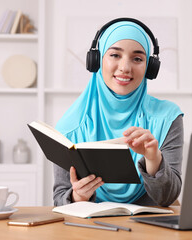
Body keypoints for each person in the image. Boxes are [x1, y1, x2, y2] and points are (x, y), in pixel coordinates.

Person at [53, 18, 184, 207]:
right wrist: (78, 197)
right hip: (91, 228)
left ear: (149, 68)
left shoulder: (167, 117)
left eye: (137, 58)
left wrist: (153, 158)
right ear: (97, 61)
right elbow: (59, 199)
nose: (125, 68)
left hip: (150, 229)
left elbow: (168, 198)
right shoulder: (70, 127)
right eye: (115, 55)